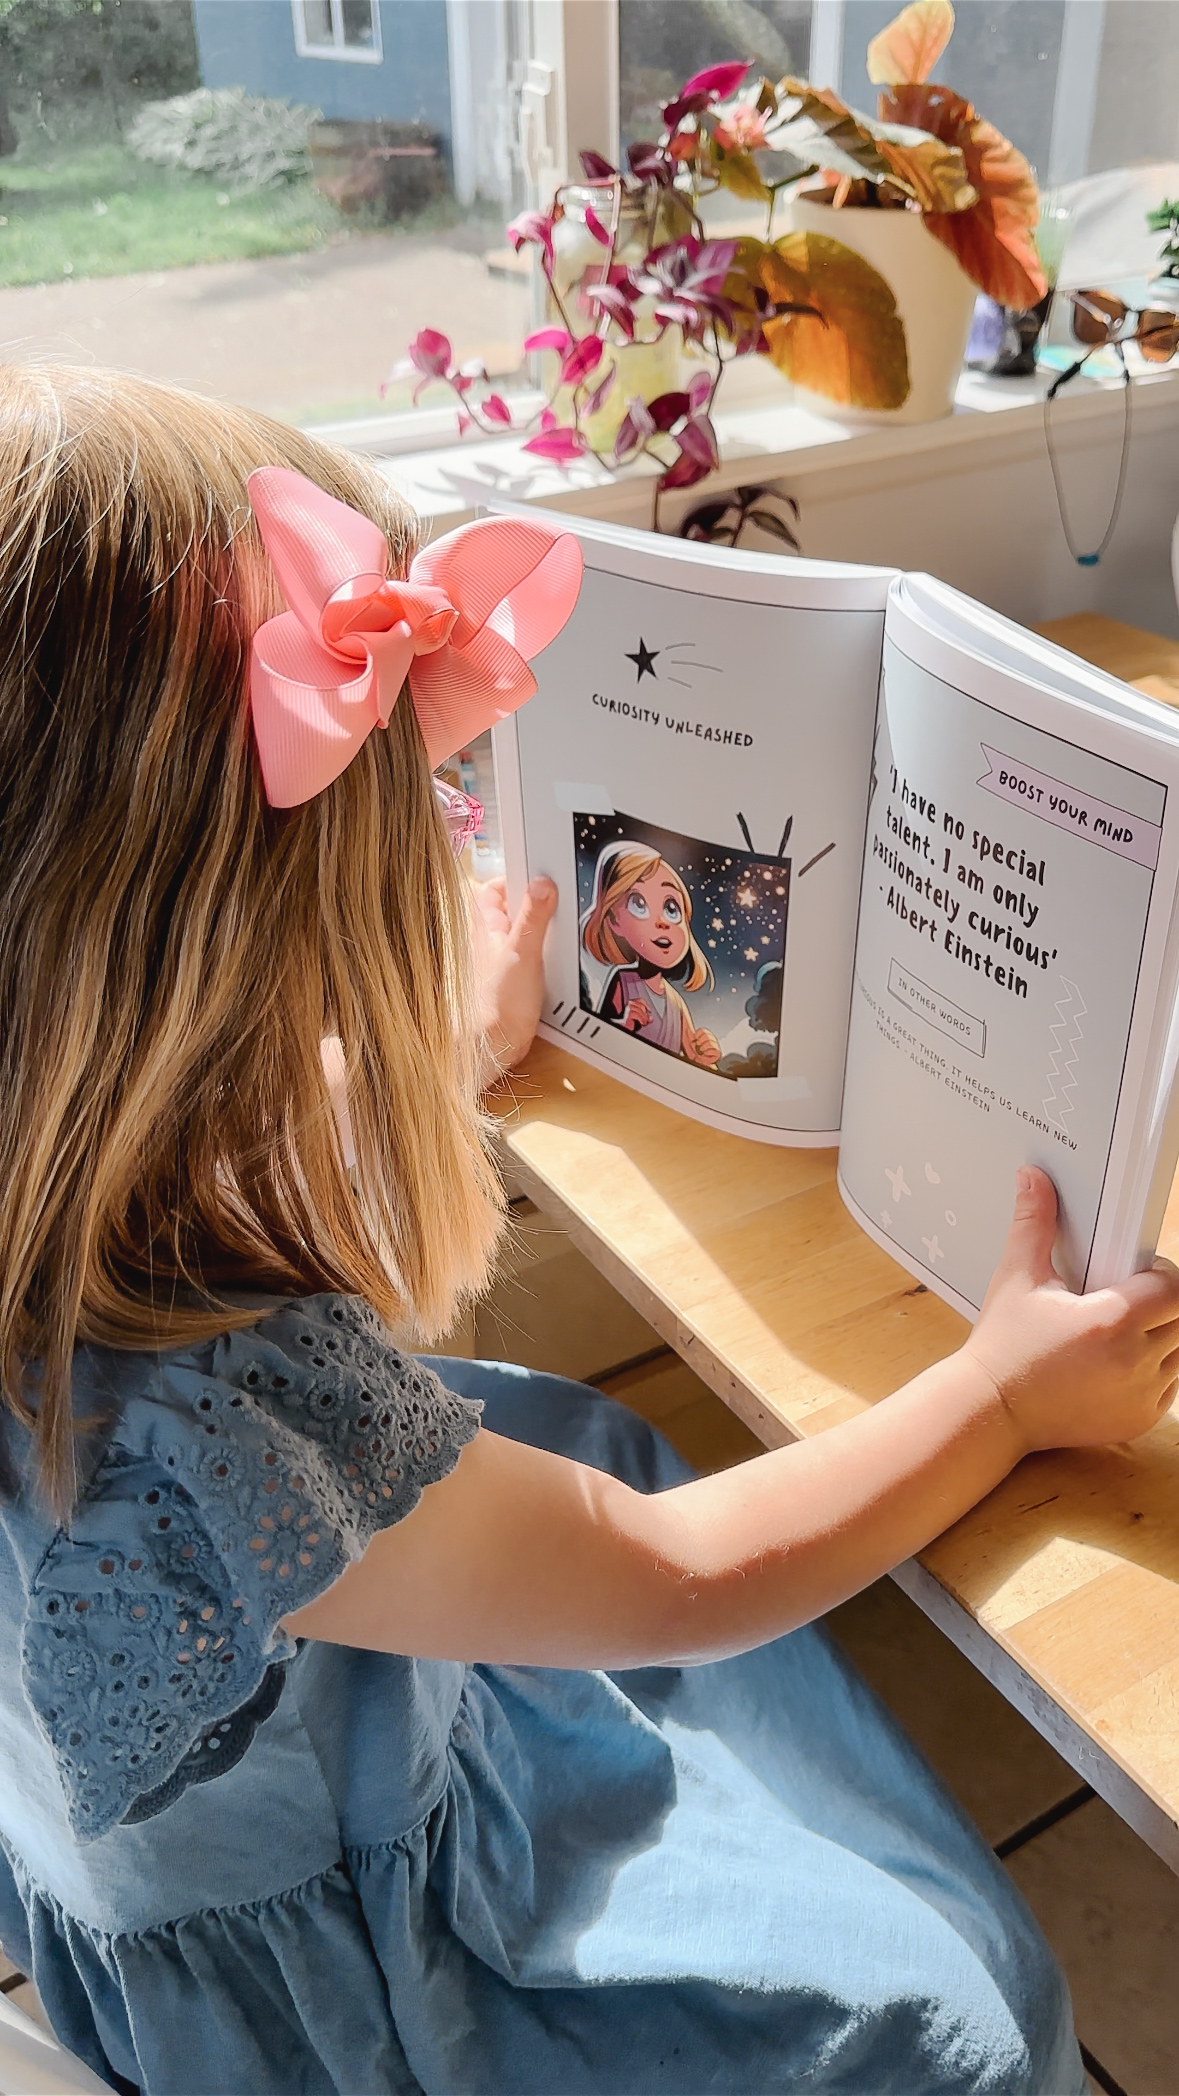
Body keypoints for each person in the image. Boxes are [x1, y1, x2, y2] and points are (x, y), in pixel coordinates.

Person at [0, 365, 1173, 2096]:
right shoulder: (211, 1423)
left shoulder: (70, 1173)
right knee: (964, 2029)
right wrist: (996, 1396)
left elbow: (237, 1167)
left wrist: (454, 1054)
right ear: (248, 974)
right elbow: (670, 1577)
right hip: (364, 1963)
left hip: (151, 1851)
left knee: (588, 1427)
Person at [581, 841, 721, 1066]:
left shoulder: (677, 1004)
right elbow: (597, 1036)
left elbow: (692, 1058)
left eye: (671, 909)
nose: (661, 922)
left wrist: (704, 1055)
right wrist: (625, 1022)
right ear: (614, 920)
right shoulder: (623, 982)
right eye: (638, 903)